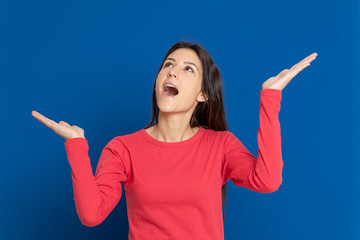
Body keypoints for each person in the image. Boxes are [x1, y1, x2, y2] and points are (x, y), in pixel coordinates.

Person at [32, 41, 317, 240]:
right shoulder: (123, 149)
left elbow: (267, 180)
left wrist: (270, 98)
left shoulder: (220, 146)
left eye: (187, 69)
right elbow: (91, 214)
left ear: (202, 95)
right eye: (168, 64)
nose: (172, 71)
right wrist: (77, 146)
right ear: (157, 81)